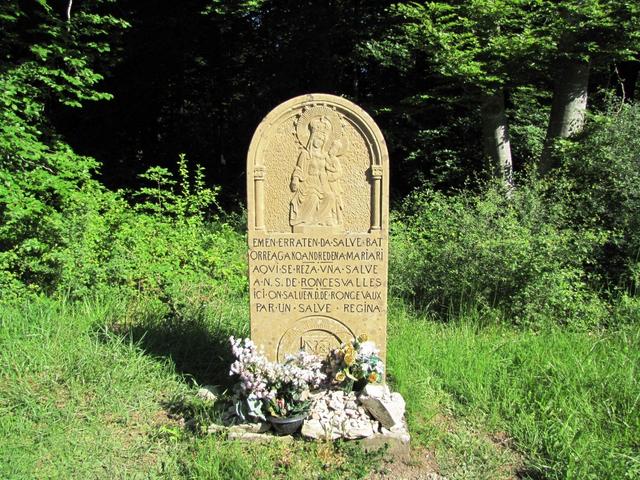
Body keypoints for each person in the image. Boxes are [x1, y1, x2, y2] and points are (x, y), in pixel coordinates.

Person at [290, 115, 343, 229]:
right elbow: (299, 169)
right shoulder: (305, 154)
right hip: (309, 184)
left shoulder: (325, 156)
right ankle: (306, 221)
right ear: (312, 137)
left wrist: (332, 175)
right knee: (313, 197)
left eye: (322, 140)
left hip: (322, 183)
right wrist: (295, 180)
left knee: (330, 197)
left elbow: (332, 169)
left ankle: (320, 220)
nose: (319, 141)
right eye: (317, 138)